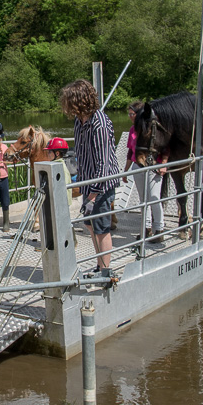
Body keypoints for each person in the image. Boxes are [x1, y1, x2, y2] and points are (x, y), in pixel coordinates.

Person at [61, 79, 120, 274]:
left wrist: (93, 196)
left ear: (79, 100)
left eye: (70, 101)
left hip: (101, 184)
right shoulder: (79, 122)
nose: (67, 106)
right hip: (87, 181)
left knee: (101, 226)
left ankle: (105, 270)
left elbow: (103, 164)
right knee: (89, 224)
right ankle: (99, 263)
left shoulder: (100, 124)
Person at [123, 99, 166, 242]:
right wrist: (126, 170)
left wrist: (163, 164)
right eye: (128, 115)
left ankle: (159, 229)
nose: (130, 117)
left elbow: (165, 147)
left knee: (154, 198)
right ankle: (146, 228)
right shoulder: (132, 130)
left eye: (132, 114)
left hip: (153, 166)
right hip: (138, 165)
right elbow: (131, 151)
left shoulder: (151, 126)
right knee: (143, 200)